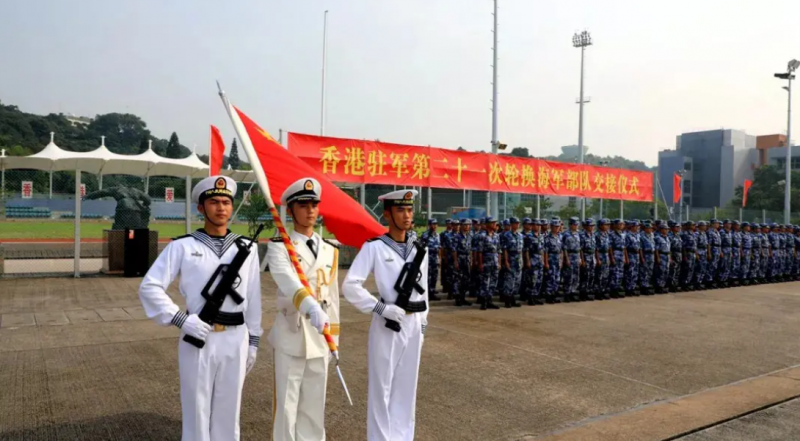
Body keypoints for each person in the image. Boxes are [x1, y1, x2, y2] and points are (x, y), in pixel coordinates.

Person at [139, 175, 262, 441]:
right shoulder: (183, 246)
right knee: (197, 411)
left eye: (226, 202)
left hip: (235, 338)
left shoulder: (247, 249)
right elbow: (149, 287)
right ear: (200, 208)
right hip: (198, 336)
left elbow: (253, 297)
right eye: (214, 201)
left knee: (230, 413)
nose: (221, 207)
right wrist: (181, 319)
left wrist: (253, 340)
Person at [342, 189, 428, 441]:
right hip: (387, 323)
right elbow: (350, 285)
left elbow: (425, 292)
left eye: (410, 210)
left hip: (413, 323)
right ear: (387, 215)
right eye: (400, 210)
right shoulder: (375, 247)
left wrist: (423, 325)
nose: (407, 215)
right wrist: (380, 308)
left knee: (406, 388)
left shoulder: (419, 248)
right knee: (382, 390)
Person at [265, 178, 340, 441]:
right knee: (286, 406)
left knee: (313, 406)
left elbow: (332, 299)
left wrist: (334, 341)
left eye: (314, 205)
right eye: (303, 205)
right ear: (291, 210)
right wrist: (310, 306)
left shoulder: (330, 250)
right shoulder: (279, 246)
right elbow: (287, 281)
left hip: (321, 336)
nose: (310, 211)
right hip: (292, 334)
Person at [478, 217, 501, 310]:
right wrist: (480, 263)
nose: (495, 225)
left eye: (495, 223)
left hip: (495, 262)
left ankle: (490, 301)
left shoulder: (496, 235)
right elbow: (479, 251)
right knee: (485, 282)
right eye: (493, 223)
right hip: (486, 262)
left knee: (493, 282)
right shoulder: (482, 236)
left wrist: (499, 262)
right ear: (488, 224)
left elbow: (499, 250)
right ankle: (483, 302)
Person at [502, 217, 523, 307]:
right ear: (511, 224)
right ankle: (507, 301)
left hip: (518, 260)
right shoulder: (507, 235)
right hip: (510, 259)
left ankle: (513, 299)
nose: (517, 225)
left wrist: (522, 261)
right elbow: (505, 249)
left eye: (518, 223)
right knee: (509, 281)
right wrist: (506, 261)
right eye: (515, 223)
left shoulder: (520, 235)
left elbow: (521, 249)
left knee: (517, 281)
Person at [453, 219, 474, 307]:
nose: (467, 226)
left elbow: (471, 250)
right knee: (458, 279)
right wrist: (455, 261)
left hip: (467, 260)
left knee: (466, 280)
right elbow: (454, 250)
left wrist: (472, 260)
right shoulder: (457, 237)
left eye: (469, 225)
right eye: (465, 225)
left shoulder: (470, 236)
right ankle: (458, 299)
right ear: (461, 225)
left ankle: (463, 297)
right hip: (460, 259)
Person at [420, 219, 443, 301]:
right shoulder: (425, 235)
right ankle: (427, 294)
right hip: (428, 259)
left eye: (436, 224)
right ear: (429, 225)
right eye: (433, 224)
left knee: (434, 277)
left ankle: (432, 293)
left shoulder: (437, 235)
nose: (434, 226)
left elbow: (440, 248)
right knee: (427, 277)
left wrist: (439, 259)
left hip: (435, 258)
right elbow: (421, 248)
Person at [561, 217, 582, 301]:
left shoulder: (578, 234)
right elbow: (564, 248)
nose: (576, 226)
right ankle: (567, 293)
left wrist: (580, 258)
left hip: (576, 256)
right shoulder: (566, 234)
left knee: (576, 276)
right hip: (569, 255)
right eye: (574, 224)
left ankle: (573, 292)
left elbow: (580, 248)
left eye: (577, 224)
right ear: (570, 225)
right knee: (568, 276)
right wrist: (566, 259)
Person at [544, 218, 564, 303]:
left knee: (557, 278)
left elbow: (561, 250)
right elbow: (545, 251)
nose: (557, 228)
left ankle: (554, 295)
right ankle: (548, 296)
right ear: (551, 227)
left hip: (557, 259)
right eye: (555, 226)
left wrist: (561, 260)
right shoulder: (547, 237)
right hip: (551, 259)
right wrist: (546, 262)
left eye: (558, 226)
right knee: (550, 278)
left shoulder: (560, 236)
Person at [579, 218, 598, 299]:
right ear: (586, 226)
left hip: (592, 256)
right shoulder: (582, 235)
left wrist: (596, 258)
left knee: (592, 274)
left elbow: (596, 248)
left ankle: (588, 291)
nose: (591, 227)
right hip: (585, 256)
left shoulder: (593, 235)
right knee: (585, 275)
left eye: (593, 226)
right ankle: (583, 293)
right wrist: (582, 260)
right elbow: (581, 249)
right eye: (590, 226)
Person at [609, 219, 627, 297]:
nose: (621, 226)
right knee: (614, 272)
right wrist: (612, 257)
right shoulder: (611, 234)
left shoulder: (623, 234)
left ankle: (617, 288)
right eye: (619, 224)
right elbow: (610, 247)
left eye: (622, 224)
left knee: (620, 272)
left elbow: (624, 247)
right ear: (615, 225)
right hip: (615, 253)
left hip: (621, 254)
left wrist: (625, 257)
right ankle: (613, 290)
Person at [594, 219, 611, 299]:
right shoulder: (596, 235)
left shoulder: (607, 234)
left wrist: (610, 257)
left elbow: (609, 247)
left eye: (608, 225)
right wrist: (597, 259)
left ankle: (603, 291)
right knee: (599, 275)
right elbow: (596, 249)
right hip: (600, 255)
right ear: (600, 225)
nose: (607, 226)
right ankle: (598, 292)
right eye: (605, 224)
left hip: (606, 255)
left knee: (606, 274)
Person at [624, 220, 641, 296]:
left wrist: (640, 256)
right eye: (636, 226)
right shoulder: (628, 235)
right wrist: (626, 258)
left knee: (635, 272)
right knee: (630, 272)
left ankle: (633, 288)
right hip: (630, 254)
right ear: (632, 227)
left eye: (638, 226)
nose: (637, 228)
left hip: (636, 255)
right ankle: (628, 289)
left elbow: (639, 247)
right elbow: (625, 248)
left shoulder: (637, 235)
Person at [639, 221, 656, 295]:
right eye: (648, 228)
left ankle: (647, 285)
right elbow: (640, 248)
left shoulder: (652, 235)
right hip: (645, 254)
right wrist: (642, 257)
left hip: (651, 255)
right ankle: (643, 287)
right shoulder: (641, 236)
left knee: (650, 271)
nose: (650, 229)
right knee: (644, 271)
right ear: (645, 229)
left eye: (651, 228)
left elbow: (654, 247)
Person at [654, 222, 671, 294]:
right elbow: (656, 249)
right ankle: (659, 286)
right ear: (661, 230)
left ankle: (663, 285)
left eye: (667, 229)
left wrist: (670, 257)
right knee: (660, 271)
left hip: (667, 256)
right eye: (665, 229)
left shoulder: (667, 237)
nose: (667, 230)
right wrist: (657, 257)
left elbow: (669, 249)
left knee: (666, 272)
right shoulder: (658, 238)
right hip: (661, 255)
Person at [681, 221, 698, 290]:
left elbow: (695, 245)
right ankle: (684, 284)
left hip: (693, 253)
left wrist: (696, 253)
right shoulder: (685, 234)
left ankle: (688, 282)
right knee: (687, 268)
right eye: (693, 225)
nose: (694, 226)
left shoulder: (693, 234)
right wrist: (684, 256)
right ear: (688, 226)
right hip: (688, 253)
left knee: (691, 269)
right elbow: (683, 247)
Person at [706, 219, 722, 289]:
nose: (717, 224)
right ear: (712, 224)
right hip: (713, 250)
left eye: (718, 223)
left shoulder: (717, 232)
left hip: (718, 250)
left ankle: (713, 280)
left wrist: (720, 251)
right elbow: (709, 244)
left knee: (716, 266)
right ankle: (709, 281)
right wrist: (709, 253)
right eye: (716, 223)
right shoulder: (710, 232)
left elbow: (719, 243)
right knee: (711, 266)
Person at [694, 221, 709, 290]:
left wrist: (708, 253)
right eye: (704, 225)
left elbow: (707, 244)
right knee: (699, 268)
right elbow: (695, 245)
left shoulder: (704, 234)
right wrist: (696, 254)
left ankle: (701, 282)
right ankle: (697, 283)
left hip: (704, 252)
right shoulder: (696, 234)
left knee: (703, 267)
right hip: (699, 252)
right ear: (700, 226)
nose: (705, 227)